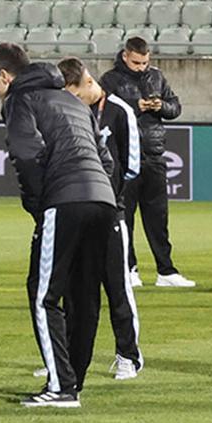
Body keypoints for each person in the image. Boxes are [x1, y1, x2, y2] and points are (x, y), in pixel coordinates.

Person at [0, 43, 116, 408]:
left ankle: (60, 386)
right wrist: (98, 190)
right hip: (103, 200)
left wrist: (40, 205)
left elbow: (26, 152)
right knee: (85, 294)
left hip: (64, 199)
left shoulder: (18, 101)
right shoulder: (73, 101)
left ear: (6, 77)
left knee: (44, 295)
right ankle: (73, 381)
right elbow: (106, 158)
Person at [59, 56, 144, 381]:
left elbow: (133, 163)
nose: (72, 102)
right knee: (72, 289)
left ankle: (128, 355)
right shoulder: (68, 109)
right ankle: (64, 356)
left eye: (74, 95)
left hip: (110, 212)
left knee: (117, 285)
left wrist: (111, 199)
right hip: (74, 210)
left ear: (87, 83)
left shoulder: (120, 111)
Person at [100, 37, 195, 288]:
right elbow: (103, 111)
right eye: (136, 62)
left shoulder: (157, 77)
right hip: (124, 158)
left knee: (158, 219)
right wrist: (136, 106)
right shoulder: (110, 80)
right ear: (125, 56)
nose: (141, 67)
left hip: (154, 156)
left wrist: (160, 106)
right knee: (125, 218)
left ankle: (166, 271)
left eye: (145, 62)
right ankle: (129, 269)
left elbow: (175, 108)